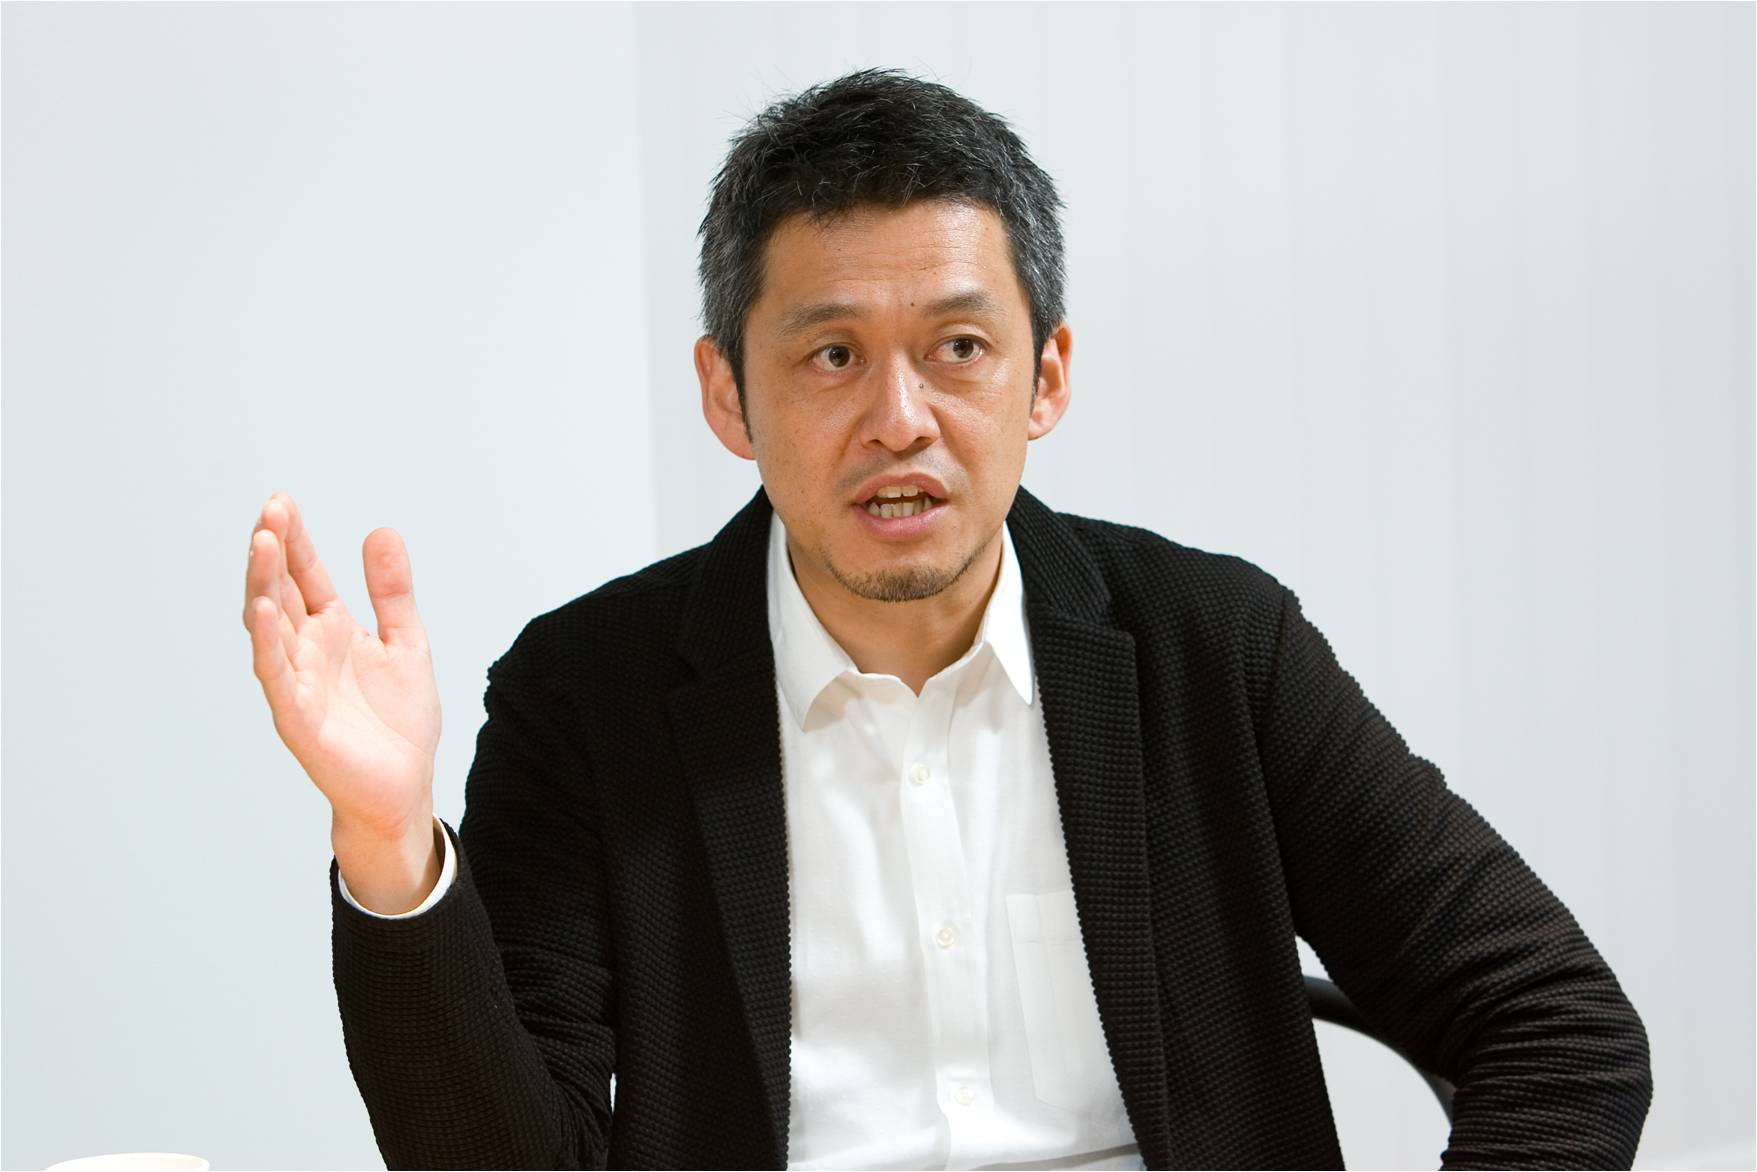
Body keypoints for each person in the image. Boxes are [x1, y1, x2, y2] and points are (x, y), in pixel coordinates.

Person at [242, 68, 1652, 1170]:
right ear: (728, 395)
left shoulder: (1212, 648)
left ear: (1046, 377)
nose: (899, 419)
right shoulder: (588, 694)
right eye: (832, 355)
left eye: (959, 348)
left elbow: (1555, 1027)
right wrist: (387, 837)